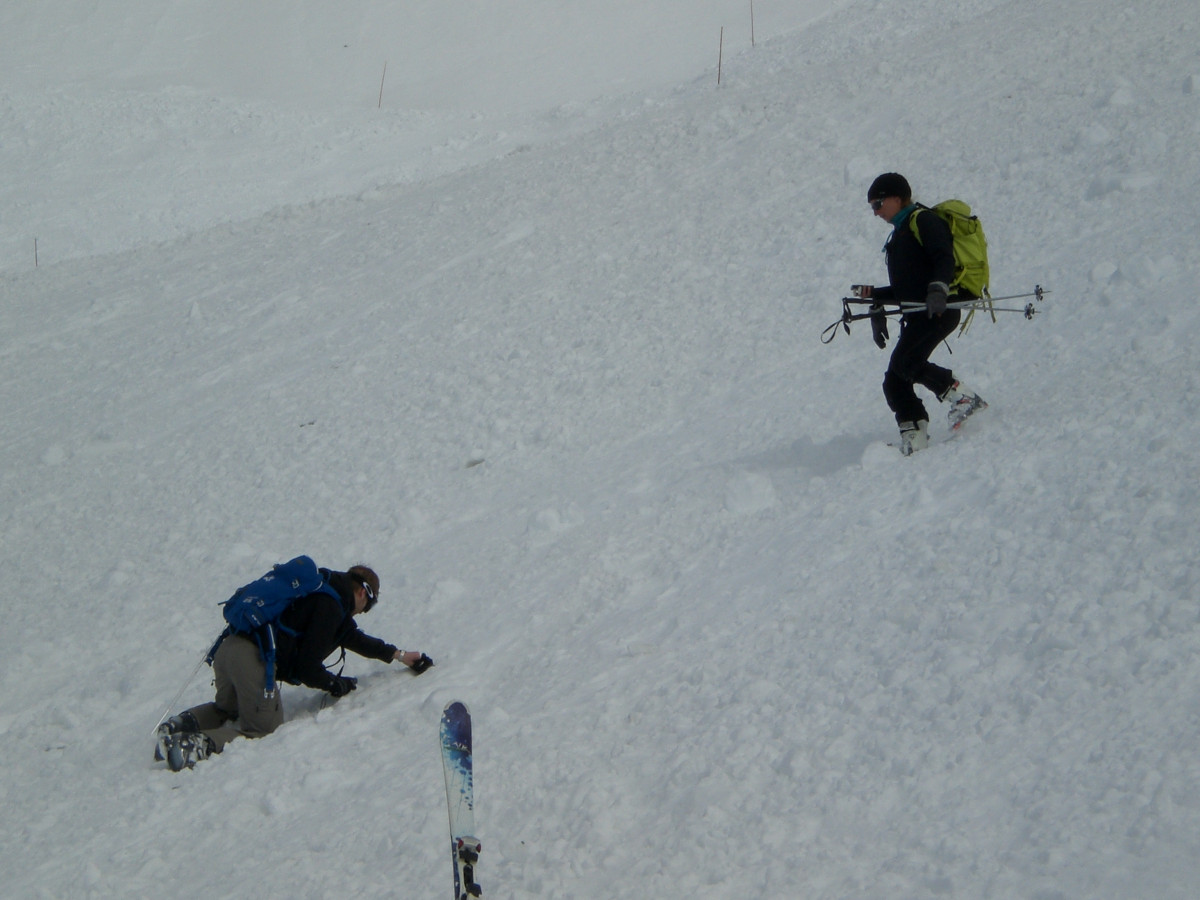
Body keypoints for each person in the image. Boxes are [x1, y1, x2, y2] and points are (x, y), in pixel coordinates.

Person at [156, 563, 433, 771]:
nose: (361, 612)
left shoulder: (321, 592)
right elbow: (306, 668)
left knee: (228, 708)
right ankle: (189, 746)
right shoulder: (331, 608)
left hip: (229, 646)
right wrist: (333, 684)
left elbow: (357, 639)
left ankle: (180, 724)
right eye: (367, 606)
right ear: (362, 592)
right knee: (262, 727)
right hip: (253, 659)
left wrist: (400, 655)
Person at [854, 172, 987, 455]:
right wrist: (874, 295)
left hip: (940, 308)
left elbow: (944, 257)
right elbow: (908, 288)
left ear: (897, 197)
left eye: (878, 204)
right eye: (872, 207)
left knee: (907, 364)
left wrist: (938, 289)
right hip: (919, 312)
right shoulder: (901, 233)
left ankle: (963, 398)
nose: (876, 213)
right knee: (894, 381)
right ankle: (915, 437)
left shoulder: (924, 220)